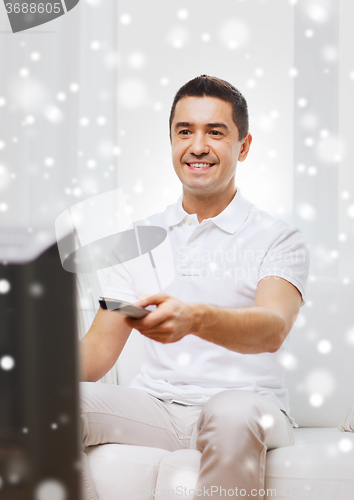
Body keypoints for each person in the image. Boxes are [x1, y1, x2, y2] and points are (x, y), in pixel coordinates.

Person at [79, 75, 309, 500]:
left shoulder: (278, 237)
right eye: (185, 131)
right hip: (157, 407)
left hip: (249, 404)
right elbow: (96, 354)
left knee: (232, 412)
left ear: (243, 146)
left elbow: (273, 328)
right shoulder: (138, 238)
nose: (197, 146)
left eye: (215, 132)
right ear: (171, 141)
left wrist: (195, 318)